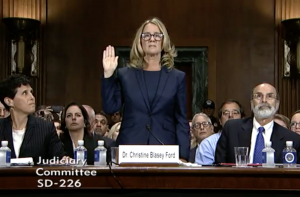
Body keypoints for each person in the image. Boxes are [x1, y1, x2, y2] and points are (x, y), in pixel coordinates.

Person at [101, 17, 190, 161]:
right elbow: (110, 107)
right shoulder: (126, 75)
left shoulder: (177, 77)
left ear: (163, 41)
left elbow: (180, 119)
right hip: (130, 147)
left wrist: (183, 156)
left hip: (164, 148)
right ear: (140, 41)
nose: (152, 39)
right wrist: (108, 75)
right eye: (146, 35)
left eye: (157, 35)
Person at [215, 83, 300, 164]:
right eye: (258, 96)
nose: (264, 100)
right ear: (252, 102)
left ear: (277, 103)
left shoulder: (292, 138)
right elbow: (219, 165)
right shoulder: (232, 129)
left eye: (270, 96)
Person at [0, 74, 64, 164]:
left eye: (31, 92)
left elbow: (59, 162)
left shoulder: (46, 128)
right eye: (25, 93)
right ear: (9, 101)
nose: (32, 97)